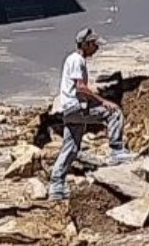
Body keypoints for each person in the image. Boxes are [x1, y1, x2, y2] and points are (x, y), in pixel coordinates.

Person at [48, 29, 135, 200]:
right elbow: (80, 87)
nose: (96, 48)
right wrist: (102, 101)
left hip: (70, 110)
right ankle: (116, 151)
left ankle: (56, 186)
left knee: (70, 147)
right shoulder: (76, 60)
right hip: (76, 107)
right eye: (94, 44)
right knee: (114, 112)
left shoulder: (75, 60)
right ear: (85, 44)